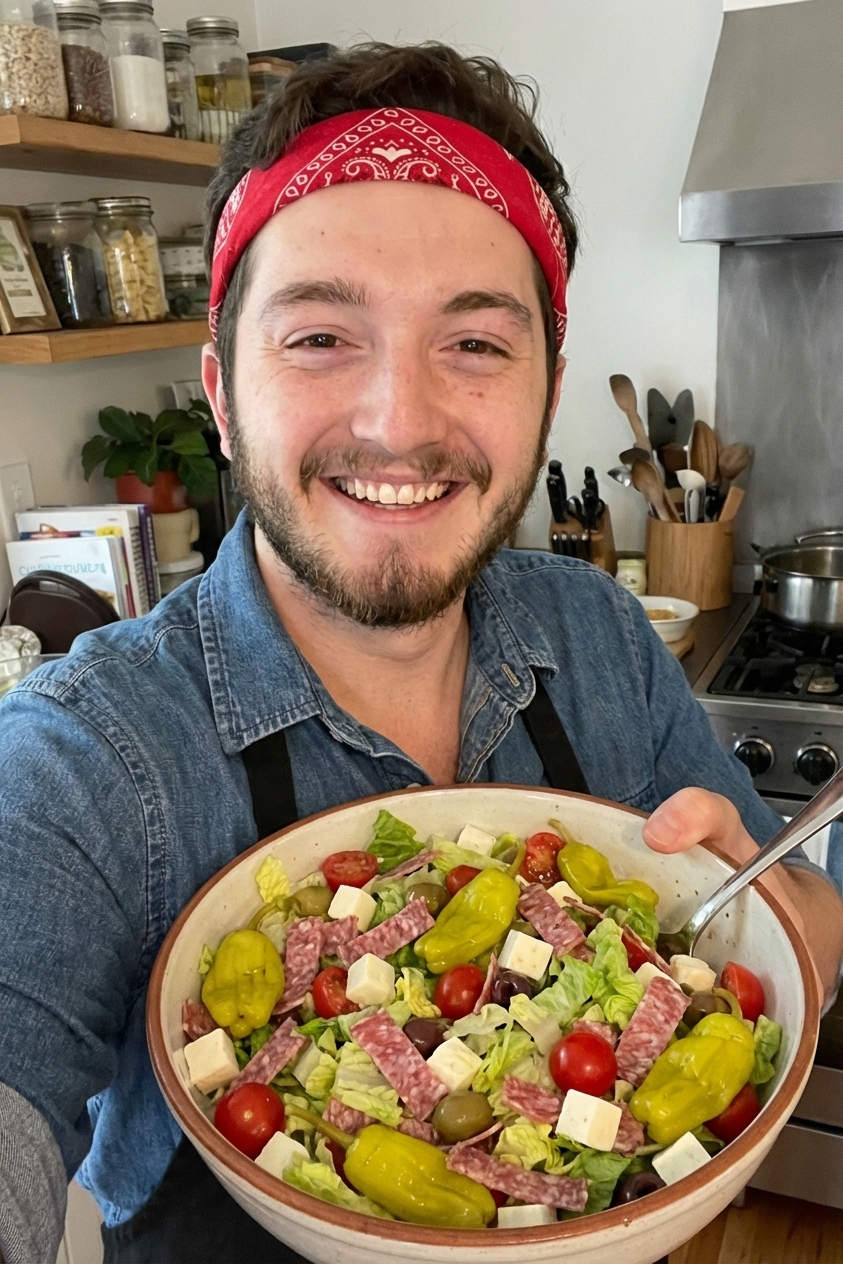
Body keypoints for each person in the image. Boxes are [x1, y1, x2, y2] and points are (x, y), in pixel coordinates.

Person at [1, 42, 841, 1264]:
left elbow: (802, 924)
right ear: (221, 395)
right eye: (319, 337)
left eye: (477, 345)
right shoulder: (81, 760)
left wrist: (774, 920)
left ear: (546, 393)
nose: (400, 421)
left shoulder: (600, 634)